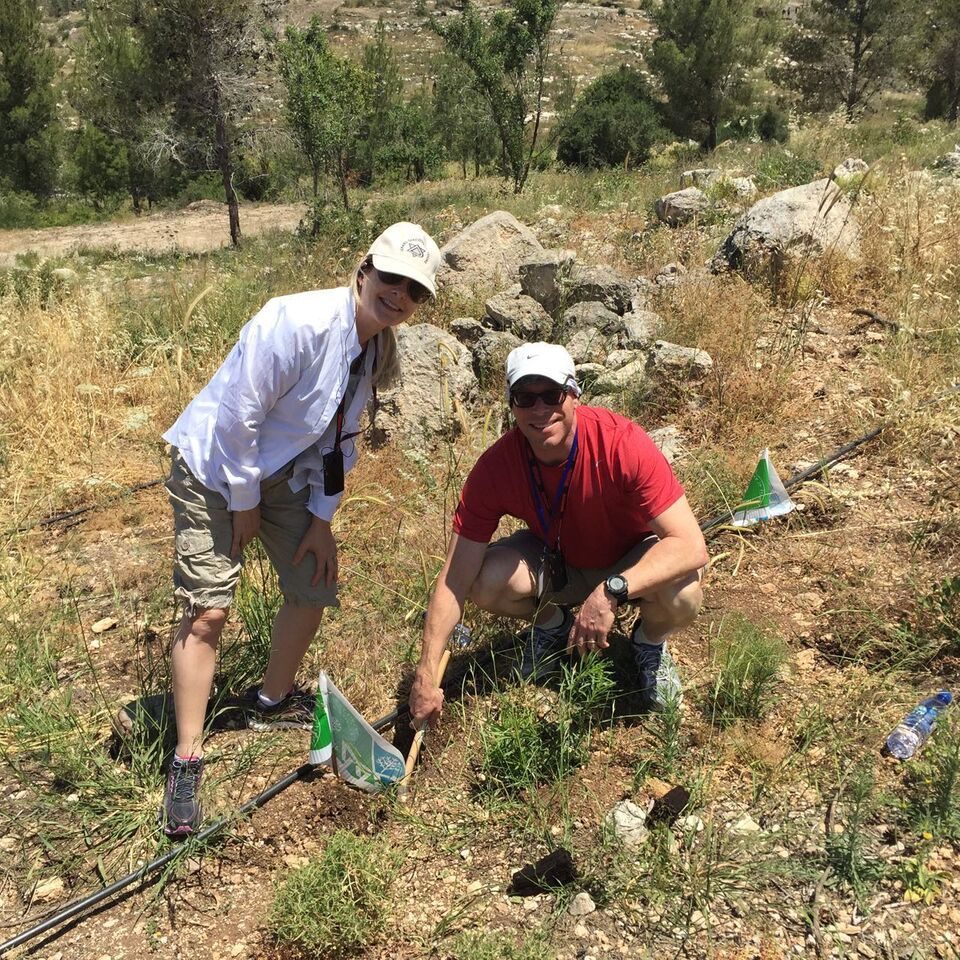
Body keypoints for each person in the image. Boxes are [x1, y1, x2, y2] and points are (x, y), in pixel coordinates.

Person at [158, 222, 441, 836]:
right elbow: (238, 416)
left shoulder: (372, 350)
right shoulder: (298, 321)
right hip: (216, 468)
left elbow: (341, 442)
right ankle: (186, 759)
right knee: (208, 612)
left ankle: (270, 700)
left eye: (414, 289)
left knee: (314, 581)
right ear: (364, 271)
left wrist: (320, 520)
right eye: (391, 277)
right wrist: (243, 501)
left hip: (278, 472)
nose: (398, 294)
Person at [409, 342, 707, 726]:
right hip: (561, 559)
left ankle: (649, 642)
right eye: (525, 397)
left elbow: (690, 545)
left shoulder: (622, 442)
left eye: (552, 394)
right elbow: (455, 578)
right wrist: (426, 671)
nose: (540, 409)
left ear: (575, 395)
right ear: (512, 405)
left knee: (684, 593)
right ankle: (554, 625)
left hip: (631, 559)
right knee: (485, 581)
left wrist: (612, 590)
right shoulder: (496, 468)